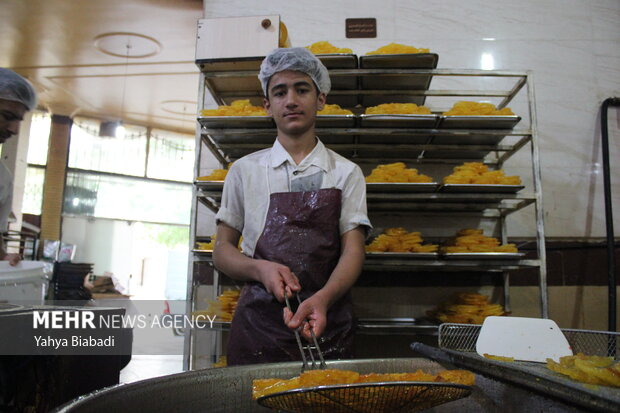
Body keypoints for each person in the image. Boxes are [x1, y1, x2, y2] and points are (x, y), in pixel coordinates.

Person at [213, 47, 372, 365]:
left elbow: (354, 250)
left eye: (302, 89)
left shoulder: (345, 173)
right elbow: (222, 250)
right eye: (280, 92)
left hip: (326, 324)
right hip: (258, 326)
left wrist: (323, 299)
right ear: (267, 105)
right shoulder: (244, 171)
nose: (291, 100)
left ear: (321, 99)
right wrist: (260, 268)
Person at [0, 68, 37, 266]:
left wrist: (4, 258)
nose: (14, 129)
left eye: (18, 121)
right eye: (7, 116)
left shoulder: (2, 178)